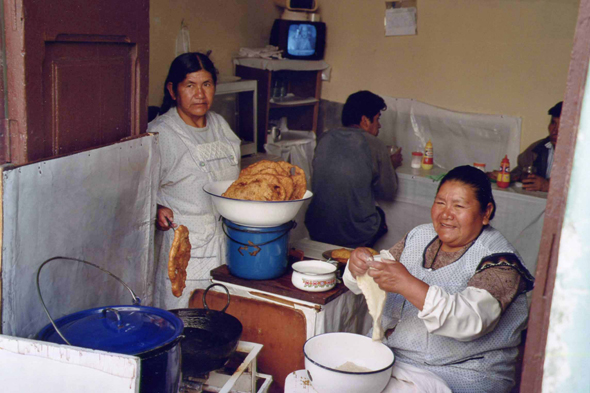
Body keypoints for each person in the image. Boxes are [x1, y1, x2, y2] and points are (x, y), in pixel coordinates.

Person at [344, 165, 535, 393]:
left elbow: (470, 320)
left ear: (486, 213)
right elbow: (379, 267)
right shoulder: (420, 235)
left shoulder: (500, 261)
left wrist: (407, 283)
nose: (446, 214)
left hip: (460, 373)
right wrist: (360, 266)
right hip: (396, 358)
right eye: (440, 202)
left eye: (459, 206)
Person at [148, 52, 241, 310]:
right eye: (190, 85)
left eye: (206, 84)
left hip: (226, 245)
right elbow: (137, 192)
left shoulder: (220, 125)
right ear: (173, 90)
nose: (200, 94)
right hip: (185, 253)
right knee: (185, 322)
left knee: (222, 318)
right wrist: (155, 209)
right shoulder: (161, 133)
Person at [305, 90, 402, 248]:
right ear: (365, 120)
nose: (379, 126)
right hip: (355, 234)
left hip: (316, 228)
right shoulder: (374, 144)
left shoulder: (324, 138)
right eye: (377, 119)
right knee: (380, 215)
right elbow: (388, 192)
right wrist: (390, 165)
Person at [489, 101, 562, 192]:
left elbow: (582, 187)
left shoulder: (582, 156)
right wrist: (507, 176)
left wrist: (549, 186)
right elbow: (520, 171)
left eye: (562, 125)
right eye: (553, 123)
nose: (555, 130)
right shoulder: (538, 148)